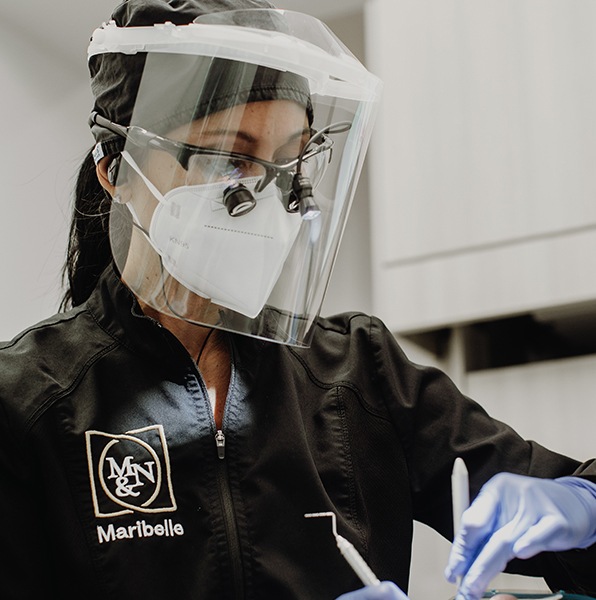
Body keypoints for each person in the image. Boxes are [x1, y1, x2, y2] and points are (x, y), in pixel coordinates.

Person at [0, 1, 595, 599]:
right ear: (115, 168)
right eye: (229, 157)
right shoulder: (26, 402)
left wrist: (583, 508)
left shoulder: (361, 372)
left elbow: (573, 519)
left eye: (291, 163)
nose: (265, 197)